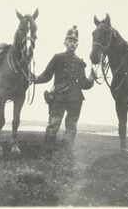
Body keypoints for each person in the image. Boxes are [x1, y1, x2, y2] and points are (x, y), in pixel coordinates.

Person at [32, 25, 95, 157]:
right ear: (65, 42)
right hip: (58, 97)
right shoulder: (57, 58)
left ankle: (64, 153)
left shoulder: (80, 63)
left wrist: (91, 79)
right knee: (54, 124)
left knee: (71, 127)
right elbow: (46, 75)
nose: (72, 44)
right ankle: (47, 153)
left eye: (74, 42)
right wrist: (35, 79)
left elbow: (83, 84)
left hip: (75, 99)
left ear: (77, 44)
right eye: (70, 41)